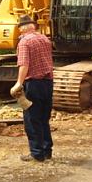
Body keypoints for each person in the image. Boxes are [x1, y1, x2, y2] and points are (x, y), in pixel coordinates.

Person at [11, 14, 54, 162]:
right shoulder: (45, 39)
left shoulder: (24, 42)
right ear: (33, 26)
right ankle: (47, 151)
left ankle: (37, 153)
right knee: (44, 118)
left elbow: (24, 64)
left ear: (22, 28)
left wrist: (18, 83)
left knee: (32, 119)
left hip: (33, 84)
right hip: (48, 83)